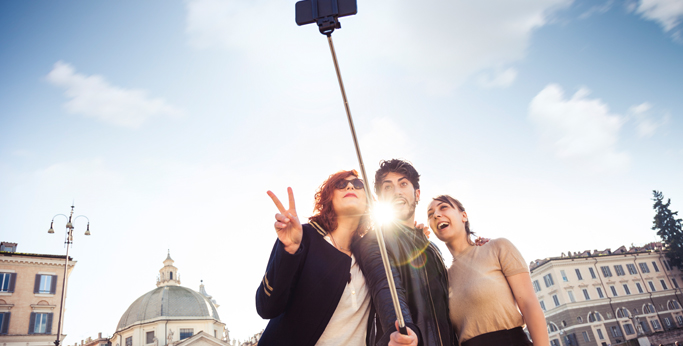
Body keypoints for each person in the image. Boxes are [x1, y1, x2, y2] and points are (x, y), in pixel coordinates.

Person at [255, 170, 372, 346]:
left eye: (358, 184)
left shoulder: (371, 254)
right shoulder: (304, 237)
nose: (350, 186)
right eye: (341, 184)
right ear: (328, 198)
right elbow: (266, 307)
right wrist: (289, 251)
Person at [353, 159, 454, 346]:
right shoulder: (375, 240)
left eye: (403, 184)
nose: (397, 191)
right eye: (388, 187)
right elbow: (385, 286)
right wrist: (401, 330)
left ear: (417, 194)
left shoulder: (432, 249)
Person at [427, 195, 549, 346]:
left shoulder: (497, 247)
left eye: (443, 207)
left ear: (463, 216)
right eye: (430, 214)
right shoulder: (442, 278)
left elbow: (529, 304)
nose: (436, 215)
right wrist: (413, 240)